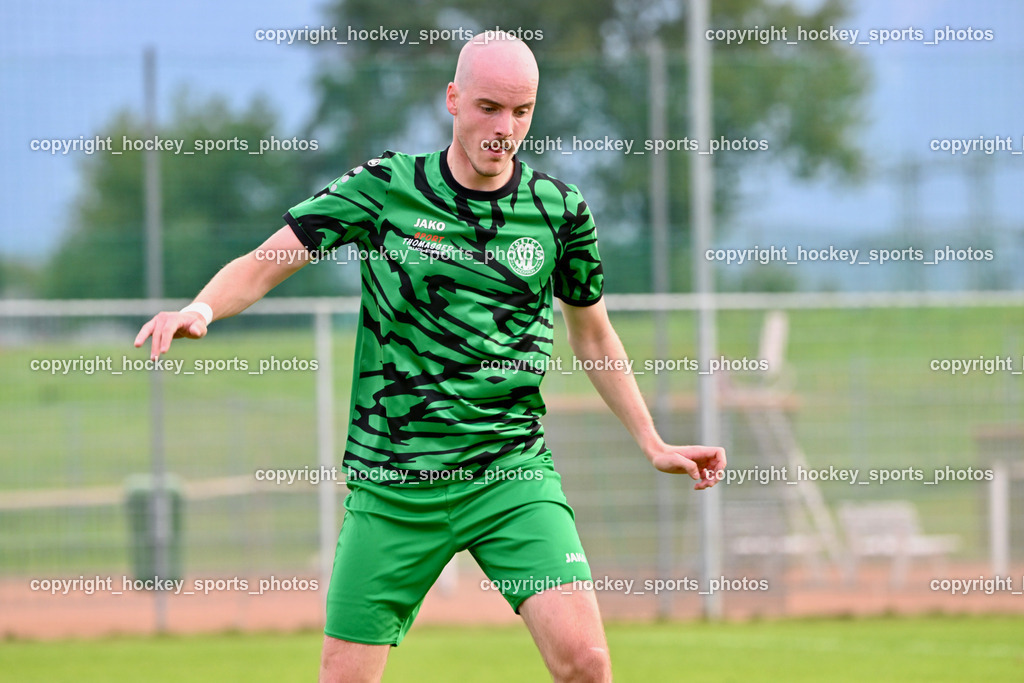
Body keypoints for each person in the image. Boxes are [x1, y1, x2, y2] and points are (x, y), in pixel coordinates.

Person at [135, 31, 726, 683]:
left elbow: (594, 335)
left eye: (521, 112)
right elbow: (267, 262)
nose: (505, 129)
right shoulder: (386, 188)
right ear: (453, 99)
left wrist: (651, 440)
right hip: (394, 485)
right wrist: (200, 309)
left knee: (587, 664)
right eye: (489, 108)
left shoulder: (558, 211)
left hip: (509, 474)